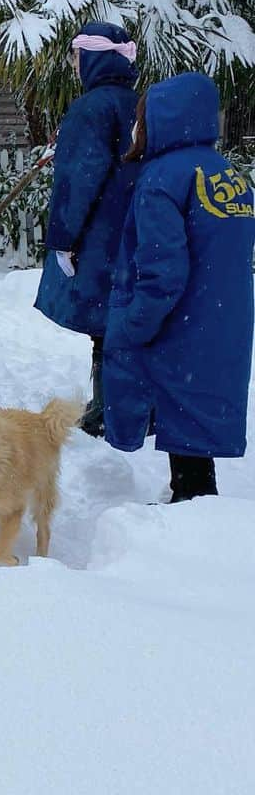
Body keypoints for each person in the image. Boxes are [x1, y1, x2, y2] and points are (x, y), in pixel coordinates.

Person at [103, 72, 254, 501]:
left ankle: (190, 520)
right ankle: (191, 499)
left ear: (162, 119)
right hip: (222, 319)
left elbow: (162, 270)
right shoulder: (230, 175)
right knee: (194, 422)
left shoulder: (162, 178)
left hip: (180, 324)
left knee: (182, 417)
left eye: (141, 117)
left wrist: (133, 325)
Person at [34, 21, 140, 436]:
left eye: (77, 57)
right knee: (127, 318)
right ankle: (131, 405)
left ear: (93, 57)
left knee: (103, 323)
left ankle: (109, 411)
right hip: (134, 229)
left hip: (99, 235)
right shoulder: (136, 103)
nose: (75, 66)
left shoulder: (91, 108)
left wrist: (63, 239)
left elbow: (78, 180)